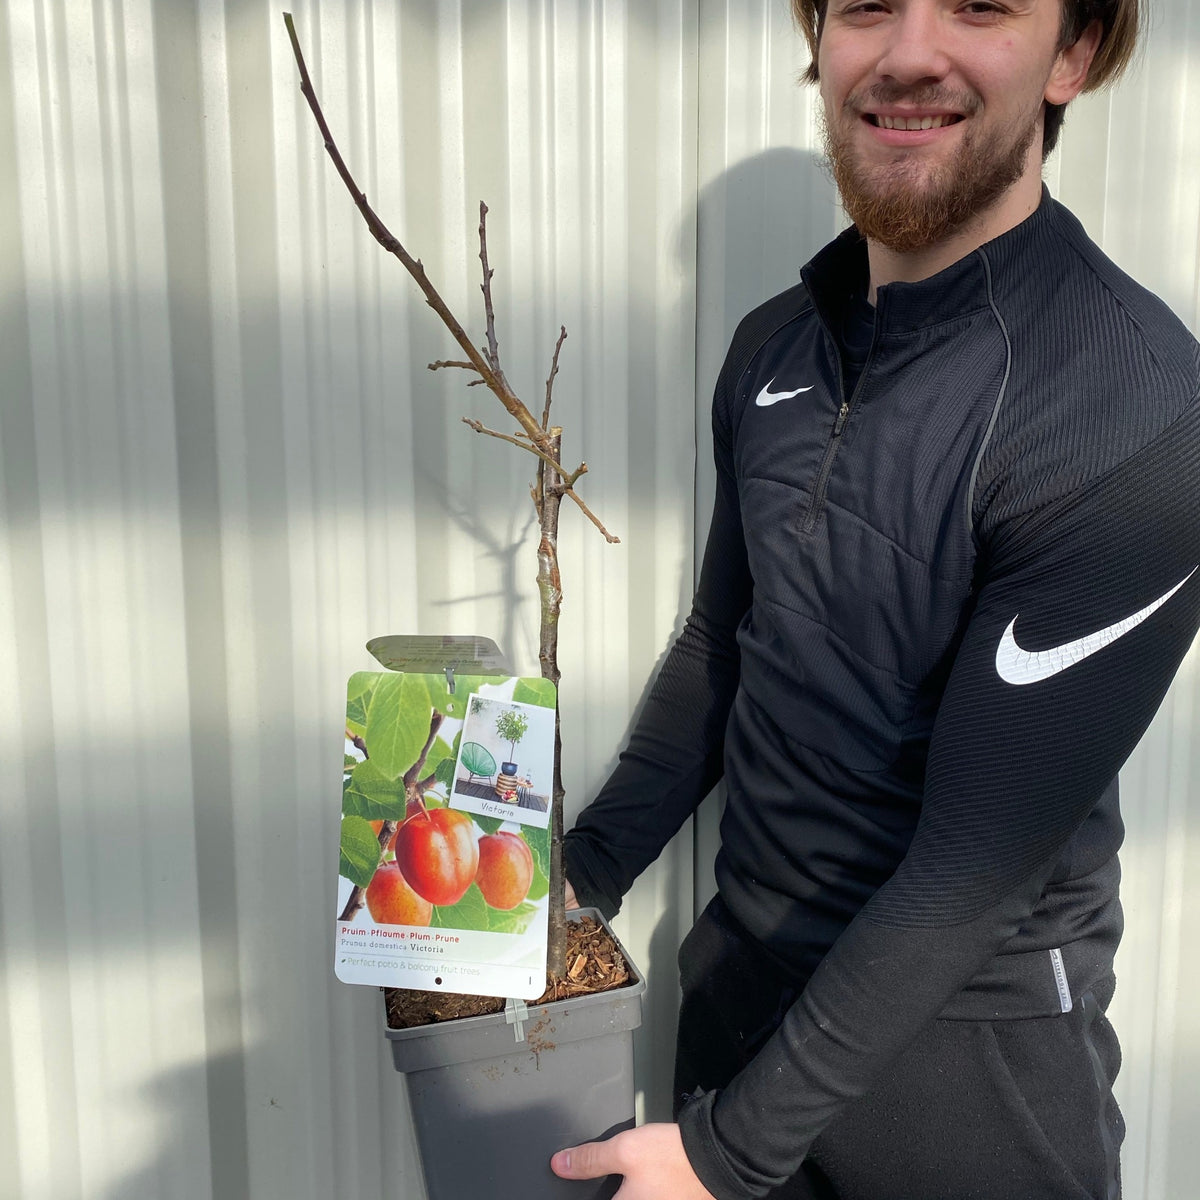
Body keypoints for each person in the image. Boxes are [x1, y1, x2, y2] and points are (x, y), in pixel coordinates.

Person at [550, 0, 1200, 1197]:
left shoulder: (1133, 410)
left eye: (978, 6)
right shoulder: (770, 351)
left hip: (967, 1086)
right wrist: (579, 876)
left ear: (1076, 53)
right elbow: (723, 647)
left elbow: (977, 861)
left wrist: (728, 1154)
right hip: (735, 1012)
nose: (907, 52)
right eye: (864, 7)